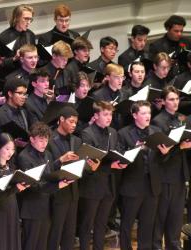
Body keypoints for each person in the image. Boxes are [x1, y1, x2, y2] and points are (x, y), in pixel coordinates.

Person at [47, 106, 99, 250]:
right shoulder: (49, 139)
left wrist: (91, 169)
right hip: (56, 193)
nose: (74, 125)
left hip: (73, 193)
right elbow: (46, 170)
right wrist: (60, 160)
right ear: (61, 120)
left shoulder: (76, 140)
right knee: (54, 233)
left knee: (69, 234)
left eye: (76, 122)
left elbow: (81, 166)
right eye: (71, 121)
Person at [78, 101, 127, 250]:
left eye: (111, 114)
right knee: (87, 224)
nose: (109, 117)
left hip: (109, 185)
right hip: (92, 186)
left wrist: (120, 161)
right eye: (105, 114)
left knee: (101, 223)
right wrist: (109, 165)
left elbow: (115, 152)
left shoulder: (113, 132)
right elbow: (90, 163)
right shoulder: (87, 133)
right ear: (96, 115)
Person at [117, 100, 166, 250]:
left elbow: (162, 160)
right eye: (144, 113)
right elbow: (120, 159)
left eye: (149, 113)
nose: (148, 116)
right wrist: (134, 149)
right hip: (132, 185)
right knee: (127, 223)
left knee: (147, 223)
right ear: (135, 115)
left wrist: (165, 153)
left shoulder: (156, 131)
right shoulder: (123, 133)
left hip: (152, 185)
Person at [151, 86, 191, 250]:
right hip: (165, 175)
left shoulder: (181, 119)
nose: (175, 103)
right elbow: (160, 154)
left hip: (180, 175)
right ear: (163, 101)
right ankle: (156, 247)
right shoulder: (158, 121)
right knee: (161, 217)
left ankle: (174, 246)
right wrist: (180, 147)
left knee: (175, 218)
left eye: (177, 99)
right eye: (171, 99)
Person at [0, 133, 28, 250]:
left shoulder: (10, 168)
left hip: (11, 210)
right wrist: (15, 188)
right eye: (7, 149)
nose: (10, 152)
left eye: (12, 149)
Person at [16, 122, 54, 250]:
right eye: (41, 140)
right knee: (30, 244)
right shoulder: (24, 157)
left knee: (42, 245)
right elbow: (33, 185)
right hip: (31, 208)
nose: (44, 144)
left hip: (46, 207)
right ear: (32, 139)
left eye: (46, 140)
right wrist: (56, 185)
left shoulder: (47, 154)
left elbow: (50, 175)